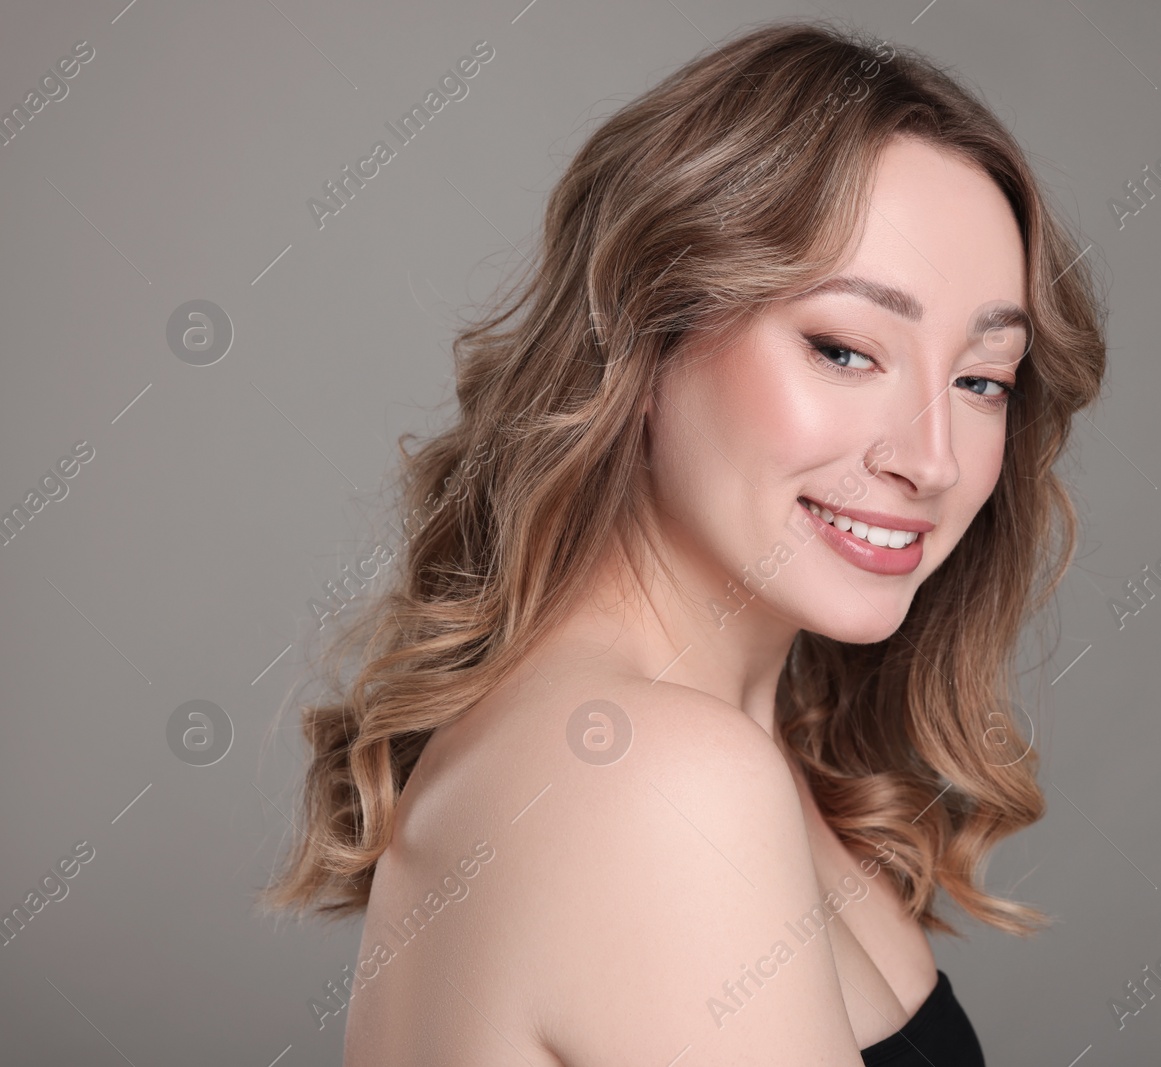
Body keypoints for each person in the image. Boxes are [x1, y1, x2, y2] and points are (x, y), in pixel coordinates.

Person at [262, 18, 1106, 1066]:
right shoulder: (652, 776)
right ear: (646, 337)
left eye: (981, 379)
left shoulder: (709, 744)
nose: (931, 458)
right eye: (845, 349)